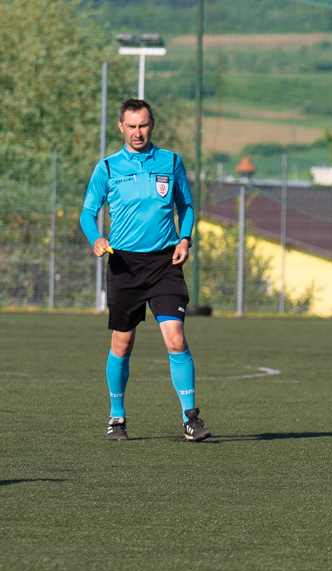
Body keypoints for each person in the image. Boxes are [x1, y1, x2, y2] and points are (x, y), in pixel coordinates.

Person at [79, 98, 211, 442]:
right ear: (121, 127)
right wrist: (96, 238)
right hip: (124, 265)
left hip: (165, 263)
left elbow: (187, 206)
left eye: (144, 125)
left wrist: (185, 239)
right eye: (132, 126)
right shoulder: (106, 168)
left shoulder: (171, 161)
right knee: (122, 345)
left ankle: (191, 418)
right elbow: (87, 212)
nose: (138, 133)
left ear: (152, 125)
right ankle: (117, 418)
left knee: (176, 338)